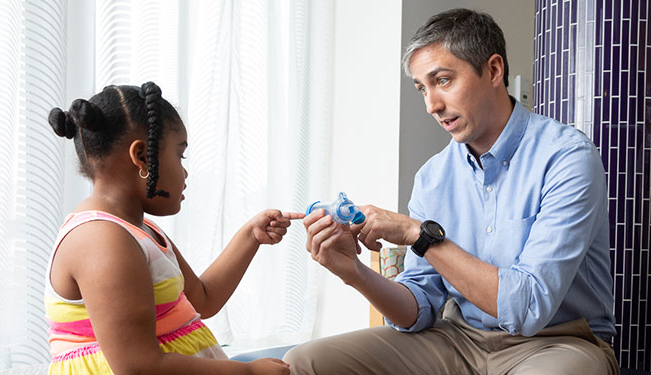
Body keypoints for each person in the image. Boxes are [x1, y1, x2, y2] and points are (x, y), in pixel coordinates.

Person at [285, 8, 619, 375]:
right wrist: (353, 272)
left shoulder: (566, 157)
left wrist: (419, 234)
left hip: (555, 343)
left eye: (442, 80)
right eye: (422, 88)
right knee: (305, 362)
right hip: (458, 340)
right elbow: (419, 306)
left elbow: (528, 308)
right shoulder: (433, 177)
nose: (432, 105)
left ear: (494, 70)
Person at [45, 82, 300, 374]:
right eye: (180, 155)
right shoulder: (101, 240)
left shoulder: (141, 231)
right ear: (141, 157)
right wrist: (249, 372)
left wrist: (249, 237)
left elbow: (202, 299)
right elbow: (140, 367)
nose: (185, 172)